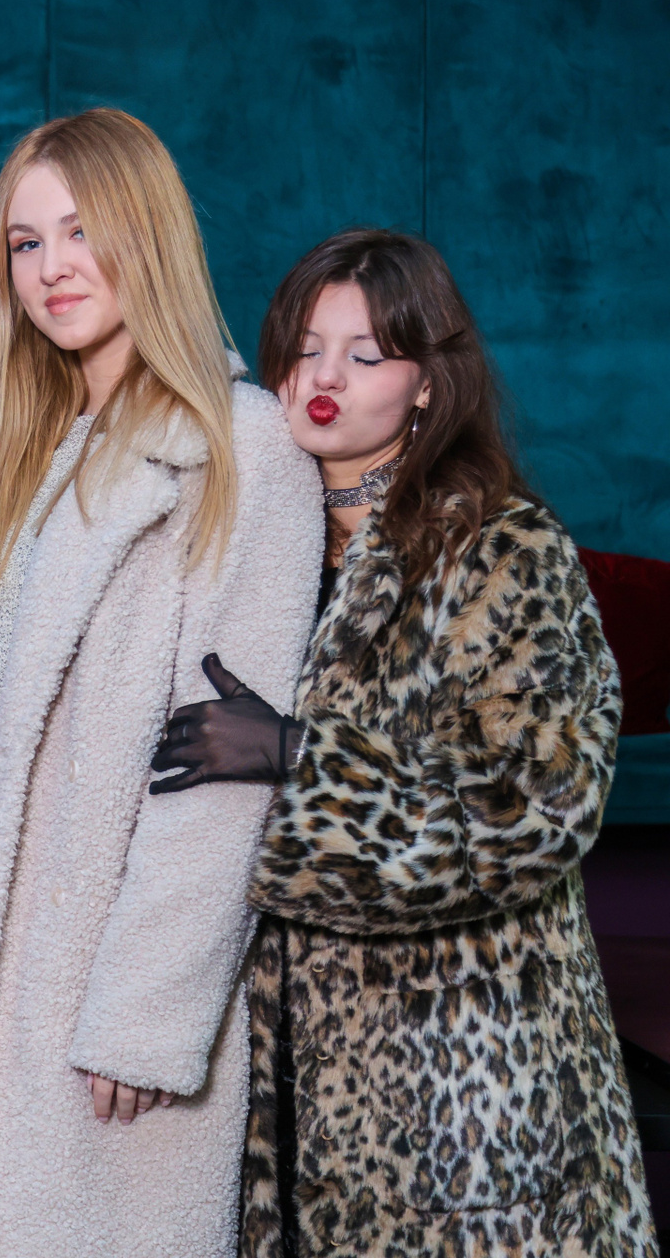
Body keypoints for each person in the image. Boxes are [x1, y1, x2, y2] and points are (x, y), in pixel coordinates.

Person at [150, 228, 658, 1256]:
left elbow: (542, 804)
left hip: (469, 1090)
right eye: (305, 349)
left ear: (427, 383)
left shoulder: (502, 548)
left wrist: (300, 759)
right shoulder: (243, 547)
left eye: (366, 354)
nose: (325, 377)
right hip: (281, 1096)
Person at [0, 108, 323, 1258]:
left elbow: (223, 764)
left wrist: (146, 1010)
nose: (52, 267)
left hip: (106, 1000)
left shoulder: (243, 447)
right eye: (25, 243)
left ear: (149, 232)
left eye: (82, 231)